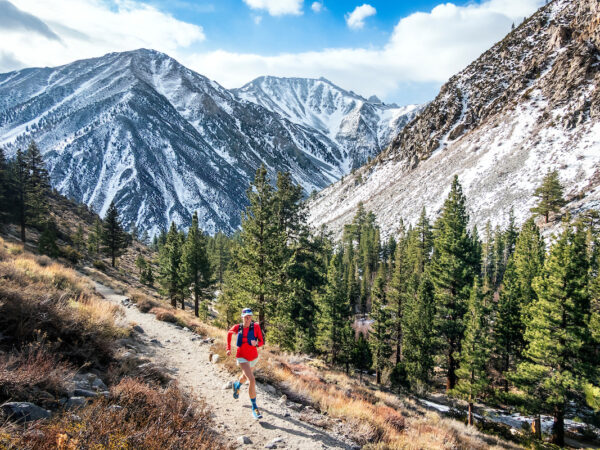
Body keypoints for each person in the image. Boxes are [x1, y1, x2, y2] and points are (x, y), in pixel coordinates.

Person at [226, 307, 264, 419]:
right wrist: (228, 348)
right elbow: (229, 333)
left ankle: (237, 385)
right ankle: (254, 407)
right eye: (246, 317)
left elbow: (261, 342)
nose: (248, 319)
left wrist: (256, 344)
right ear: (242, 317)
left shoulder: (256, 327)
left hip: (253, 357)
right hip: (242, 357)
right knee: (252, 379)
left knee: (245, 376)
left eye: (249, 317)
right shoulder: (238, 327)